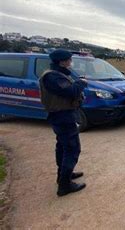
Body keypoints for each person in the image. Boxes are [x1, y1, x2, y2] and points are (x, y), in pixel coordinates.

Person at [39, 49, 88, 196]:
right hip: (62, 116)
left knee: (63, 146)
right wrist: (81, 83)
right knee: (72, 148)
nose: (70, 62)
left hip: (62, 115)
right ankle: (65, 185)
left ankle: (63, 176)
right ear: (62, 61)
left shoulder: (57, 74)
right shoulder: (52, 77)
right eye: (69, 60)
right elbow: (71, 91)